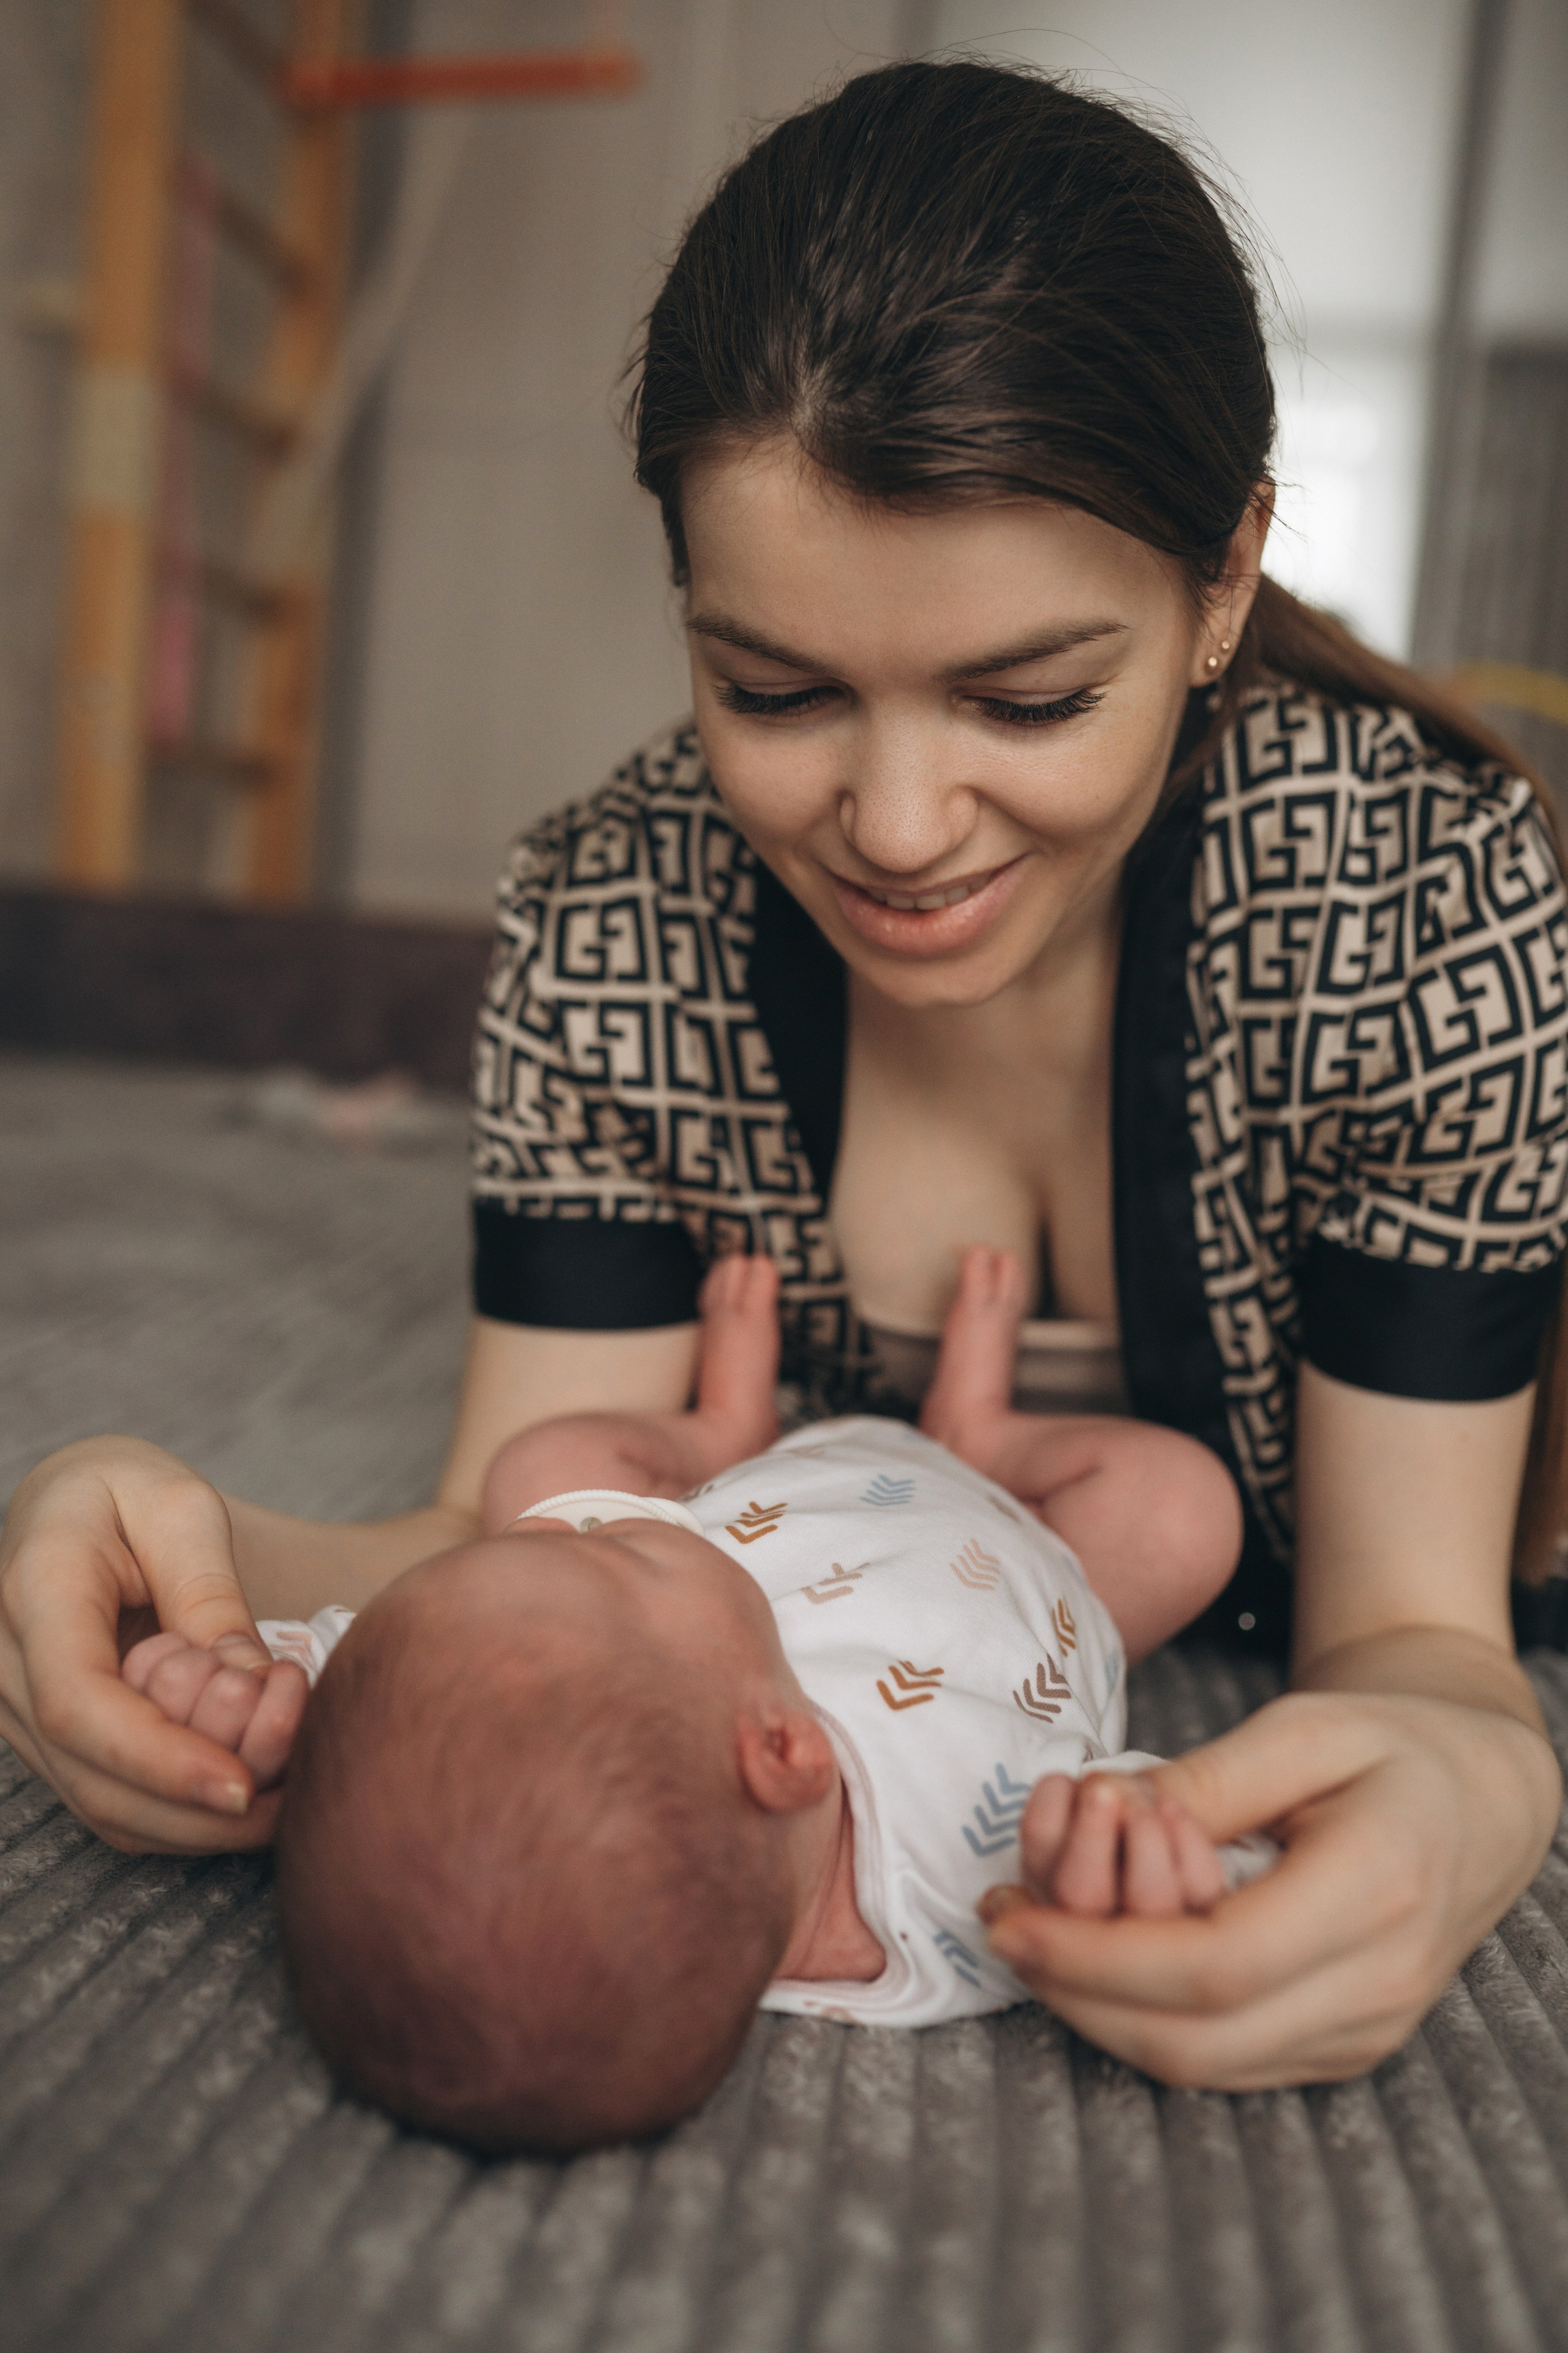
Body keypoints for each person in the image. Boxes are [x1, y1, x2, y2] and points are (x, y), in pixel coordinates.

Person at [2, 58, 1565, 2093]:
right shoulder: (617, 914)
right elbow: (513, 1542)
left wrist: (1478, 1788)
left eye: (1025, 696)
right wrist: (175, 1543)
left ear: (1224, 584)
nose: (900, 824)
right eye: (774, 689)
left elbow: (1415, 1639)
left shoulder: (1424, 900)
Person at [123, 1252, 1265, 2151]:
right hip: (1043, 1541)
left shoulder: (649, 1707)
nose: (587, 1526)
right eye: (622, 1560)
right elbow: (1156, 1830)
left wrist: (266, 1692)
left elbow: (421, 1691)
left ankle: (722, 1425)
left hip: (757, 1503)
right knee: (1185, 1512)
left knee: (526, 1477)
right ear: (781, 1747)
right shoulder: (989, 1890)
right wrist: (1152, 1859)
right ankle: (984, 1433)